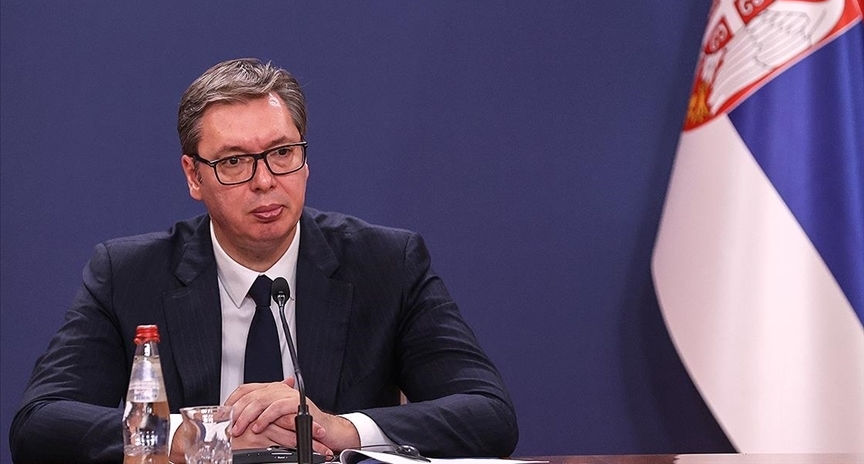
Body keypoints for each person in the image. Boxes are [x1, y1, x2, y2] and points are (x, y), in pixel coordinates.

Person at [9, 57, 518, 463]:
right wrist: (186, 436)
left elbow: (490, 413)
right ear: (193, 176)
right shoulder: (128, 275)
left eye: (282, 152)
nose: (265, 181)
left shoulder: (386, 264)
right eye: (234, 161)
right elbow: (39, 423)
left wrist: (339, 429)